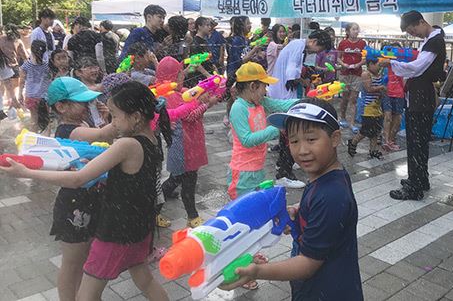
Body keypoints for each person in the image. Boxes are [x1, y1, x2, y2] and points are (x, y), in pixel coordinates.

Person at [1, 80, 170, 301]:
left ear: (136, 117)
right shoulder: (152, 138)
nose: (113, 123)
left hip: (115, 233)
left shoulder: (126, 145)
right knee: (144, 279)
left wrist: (26, 172)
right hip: (140, 227)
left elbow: (78, 179)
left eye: (115, 115)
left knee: (86, 296)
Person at [221, 98, 363, 300]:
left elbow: (307, 264)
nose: (302, 150)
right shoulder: (327, 176)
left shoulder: (331, 195)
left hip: (326, 291)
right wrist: (300, 212)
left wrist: (258, 272)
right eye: (294, 141)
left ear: (335, 138)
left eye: (311, 139)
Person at [28, 77, 116, 300]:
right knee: (72, 262)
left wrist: (106, 118)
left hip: (90, 197)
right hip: (74, 203)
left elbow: (100, 144)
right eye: (81, 102)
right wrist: (119, 116)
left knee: (84, 258)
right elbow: (104, 136)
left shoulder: (82, 125)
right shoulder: (68, 130)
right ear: (61, 107)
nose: (87, 106)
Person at [379, 11, 446, 201]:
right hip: (418, 95)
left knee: (416, 142)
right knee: (418, 141)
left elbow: (417, 67)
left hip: (421, 97)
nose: (413, 34)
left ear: (421, 22)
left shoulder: (435, 41)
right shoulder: (431, 39)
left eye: (412, 29)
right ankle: (420, 178)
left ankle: (415, 187)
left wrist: (391, 63)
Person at [158, 56, 218, 228]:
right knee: (188, 181)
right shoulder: (170, 96)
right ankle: (192, 217)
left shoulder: (175, 92)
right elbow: (190, 115)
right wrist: (207, 104)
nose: (182, 77)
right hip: (184, 146)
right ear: (173, 76)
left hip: (188, 143)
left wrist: (203, 90)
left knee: (175, 179)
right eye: (179, 74)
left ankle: (154, 210)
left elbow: (197, 92)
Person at [268, 30, 332, 188]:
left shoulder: (298, 45)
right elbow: (292, 72)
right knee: (289, 132)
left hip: (282, 90)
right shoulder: (298, 45)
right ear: (314, 41)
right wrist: (303, 81)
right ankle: (283, 172)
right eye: (320, 48)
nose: (318, 52)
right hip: (284, 93)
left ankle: (283, 163)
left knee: (288, 131)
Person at [227, 62, 297, 200]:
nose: (266, 91)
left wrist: (306, 101)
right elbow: (247, 140)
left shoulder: (259, 102)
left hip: (257, 168)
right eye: (265, 86)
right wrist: (276, 128)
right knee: (244, 211)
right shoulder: (238, 108)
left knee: (255, 207)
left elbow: (281, 105)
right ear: (253, 86)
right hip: (243, 173)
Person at [348, 59, 385, 160]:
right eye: (378, 65)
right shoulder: (366, 74)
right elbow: (369, 89)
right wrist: (382, 87)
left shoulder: (379, 74)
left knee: (376, 131)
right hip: (367, 107)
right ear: (370, 64)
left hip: (377, 107)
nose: (380, 67)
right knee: (366, 130)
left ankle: (373, 150)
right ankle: (353, 142)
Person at [337, 22, 366, 134]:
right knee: (344, 97)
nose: (356, 31)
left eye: (357, 29)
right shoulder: (343, 43)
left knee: (353, 99)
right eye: (354, 29)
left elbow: (365, 58)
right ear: (348, 31)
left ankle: (352, 123)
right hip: (345, 73)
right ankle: (342, 118)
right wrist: (344, 65)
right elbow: (338, 58)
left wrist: (358, 64)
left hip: (357, 74)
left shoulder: (362, 43)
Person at [19, 40, 51, 132]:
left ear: (31, 50)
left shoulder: (26, 65)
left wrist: (20, 94)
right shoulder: (46, 65)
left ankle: (34, 138)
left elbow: (22, 81)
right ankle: (47, 136)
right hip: (45, 96)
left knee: (34, 119)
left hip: (31, 96)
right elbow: (49, 79)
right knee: (47, 118)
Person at [381, 42, 405, 152]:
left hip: (399, 92)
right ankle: (386, 141)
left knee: (398, 118)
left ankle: (390, 139)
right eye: (394, 50)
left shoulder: (404, 62)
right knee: (388, 116)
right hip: (387, 91)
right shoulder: (388, 61)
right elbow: (380, 62)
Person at [0, 23, 28, 109]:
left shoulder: (1, 39)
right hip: (14, 65)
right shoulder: (18, 41)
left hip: (2, 65)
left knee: (3, 87)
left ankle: (3, 105)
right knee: (14, 87)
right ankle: (13, 103)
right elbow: (25, 56)